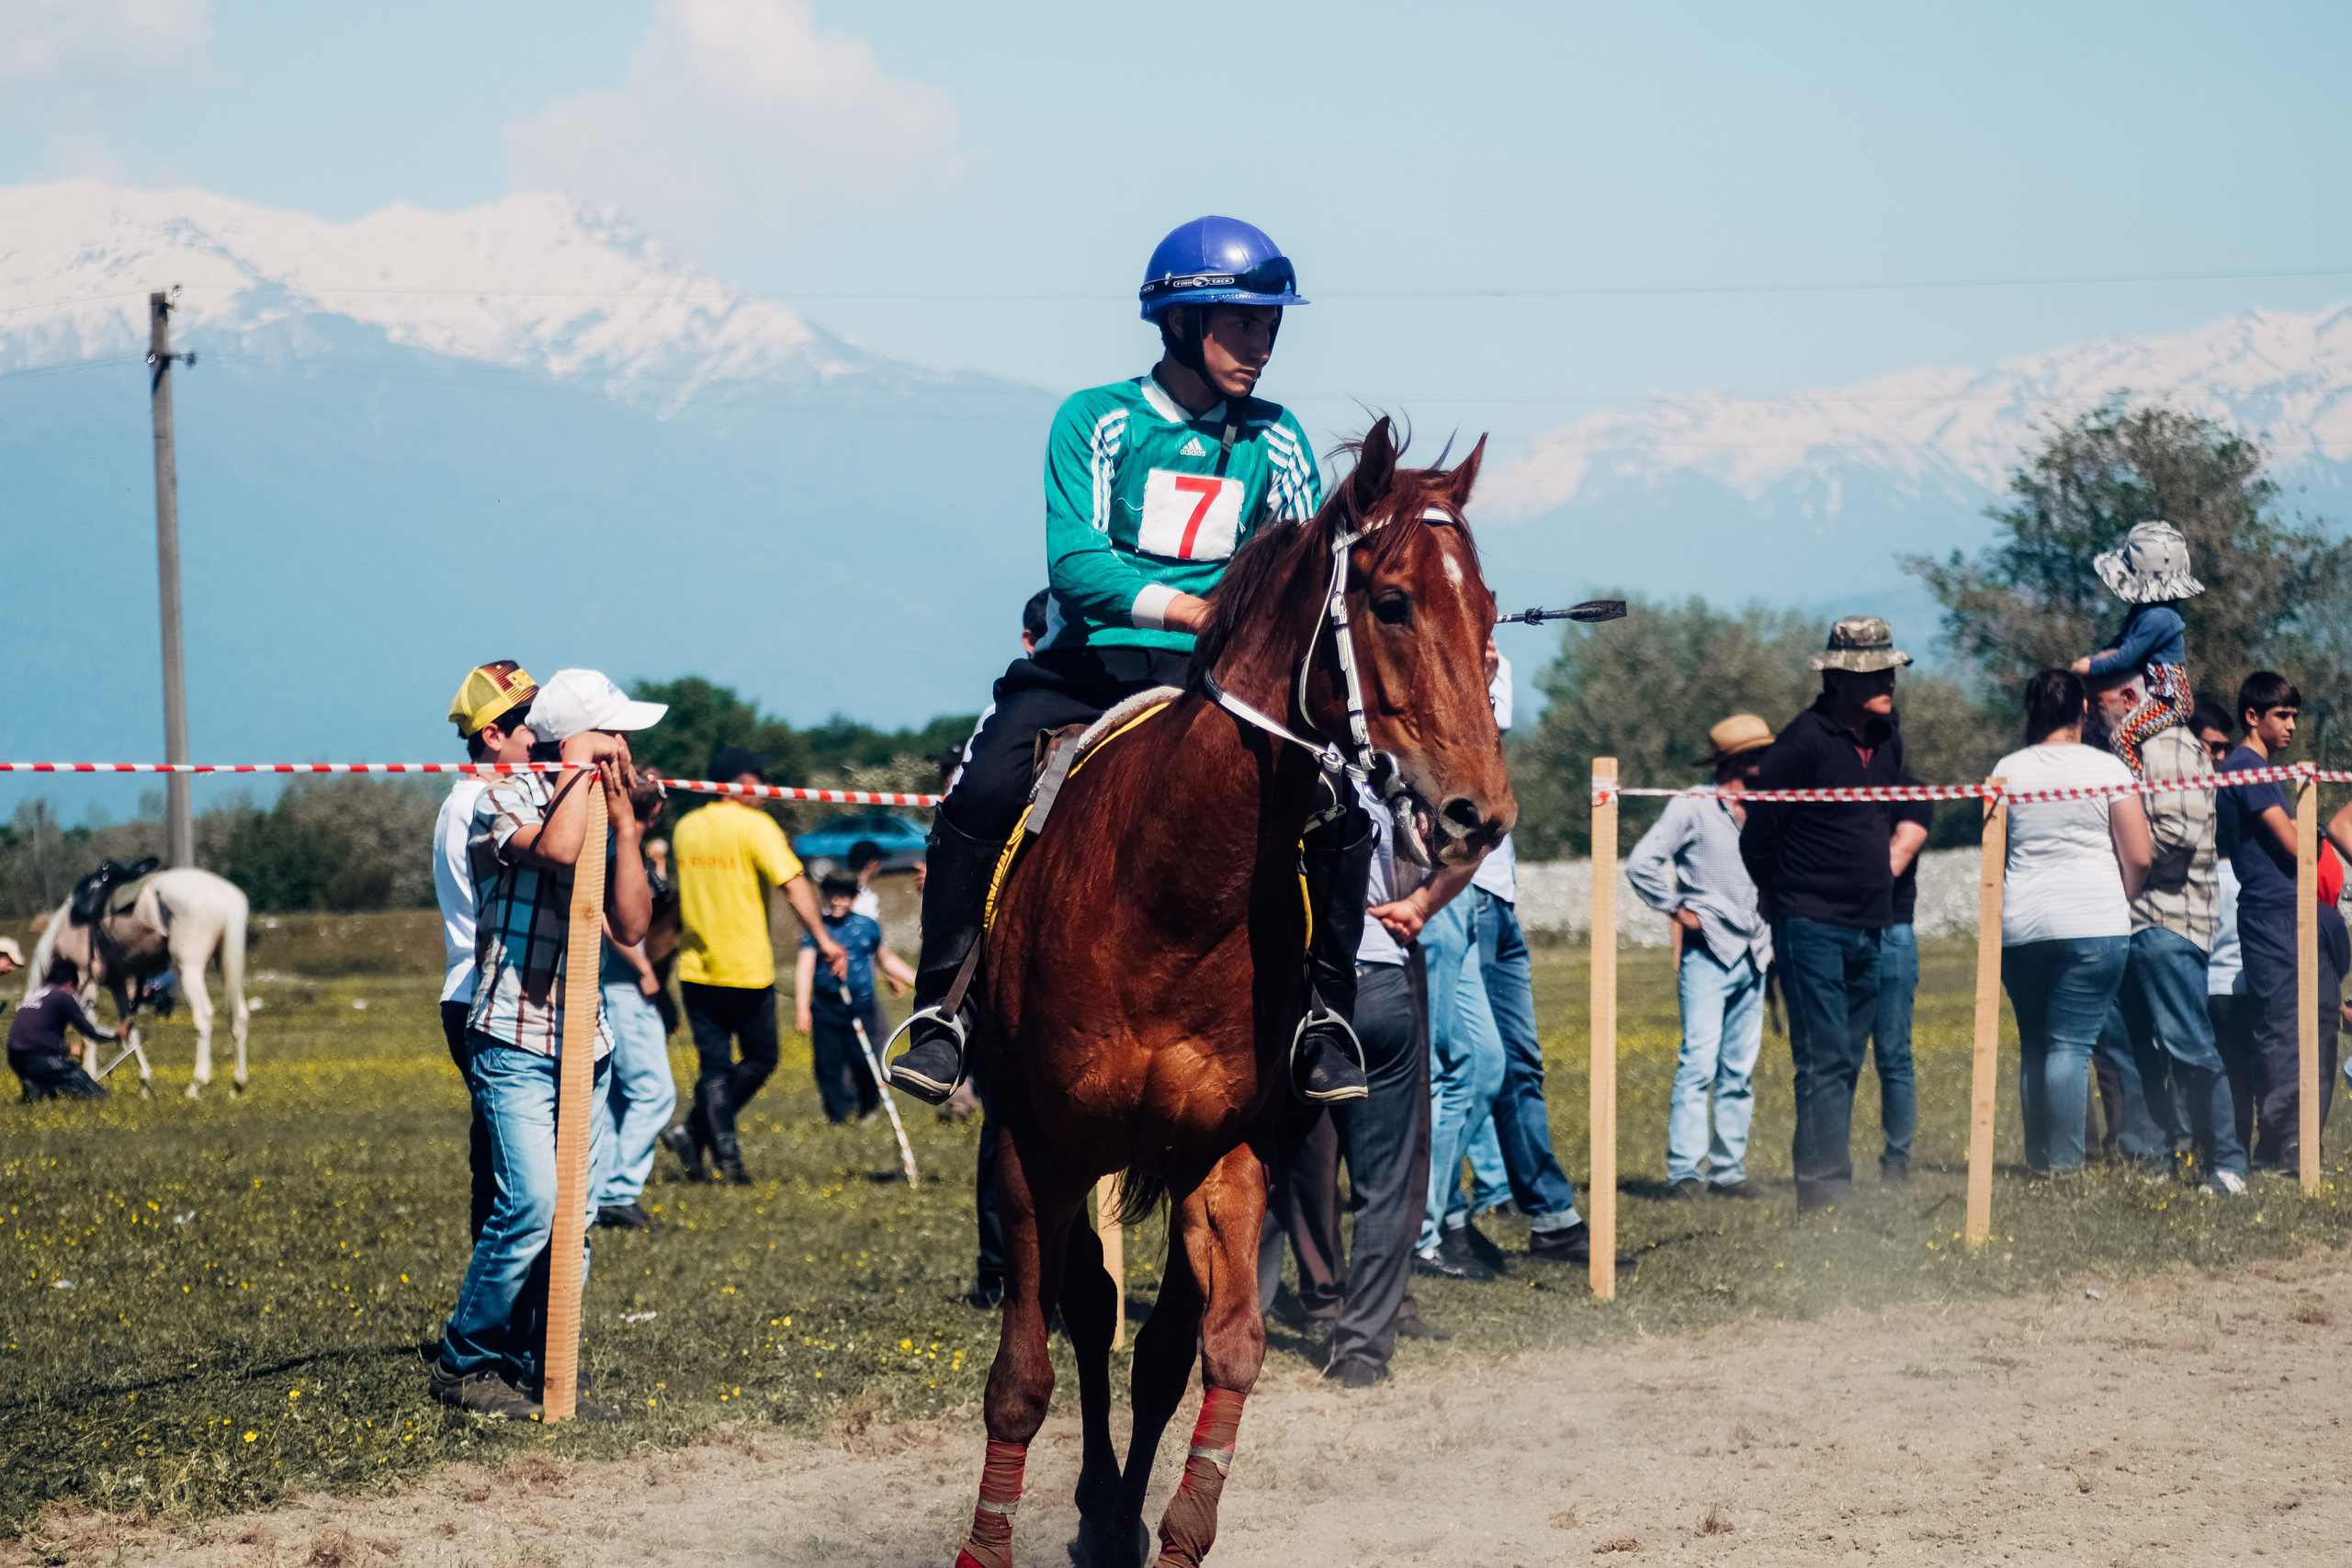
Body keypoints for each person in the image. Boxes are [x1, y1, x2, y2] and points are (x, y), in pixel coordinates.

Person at [886, 216, 1373, 1110]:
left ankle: (1323, 1021)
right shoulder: (1095, 418)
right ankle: (943, 1014)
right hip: (1093, 664)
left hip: (1226, 686)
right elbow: (1074, 563)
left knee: (1338, 813)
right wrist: (1196, 607)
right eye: (1241, 324)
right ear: (1182, 325)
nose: (1260, 345)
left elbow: (1308, 564)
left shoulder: (1281, 437)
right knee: (985, 788)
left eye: (1270, 325)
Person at [430, 668, 660, 1421]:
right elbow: (559, 851)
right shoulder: (496, 799)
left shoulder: (599, 803)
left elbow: (630, 925)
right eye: (613, 734)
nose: (626, 748)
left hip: (583, 1043)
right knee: (528, 1202)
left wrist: (626, 827)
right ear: (574, 740)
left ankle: (548, 1366)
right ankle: (467, 1359)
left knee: (576, 1216)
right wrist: (574, 772)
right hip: (515, 1037)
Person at [1258, 784, 1431, 1388]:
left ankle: (1237, 1321)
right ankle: (1362, 1350)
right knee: (1383, 1181)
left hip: (1293, 984)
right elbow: (1473, 835)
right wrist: (1426, 901)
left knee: (1260, 1163)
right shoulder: (1386, 777)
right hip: (1380, 971)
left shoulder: (1279, 771)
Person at [1740, 616, 1911, 1211]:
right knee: (1823, 1057)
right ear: (1840, 678)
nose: (1889, 678)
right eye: (1875, 670)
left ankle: (1831, 1181)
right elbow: (1758, 839)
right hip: (1809, 923)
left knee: (1848, 1057)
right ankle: (1824, 1188)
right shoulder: (1799, 744)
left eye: (1890, 667)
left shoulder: (1887, 738)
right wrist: (1784, 898)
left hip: (1872, 924)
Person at [1453, 644, 1590, 1260]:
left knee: (1521, 1063)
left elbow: (1493, 729)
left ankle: (1551, 1215)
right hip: (1464, 892)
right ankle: (1437, 1219)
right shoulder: (1444, 668)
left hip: (1498, 895)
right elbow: (1468, 729)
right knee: (1471, 1065)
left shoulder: (1493, 666)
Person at [2087, 665, 2245, 1192]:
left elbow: (2176, 833)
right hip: (2128, 921)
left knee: (2190, 1046)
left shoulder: (2170, 746)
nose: (2092, 708)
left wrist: (2115, 862)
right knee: (2134, 1051)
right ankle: (2156, 1159)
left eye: (2100, 697)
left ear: (2131, 695)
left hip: (2169, 919)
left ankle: (2225, 1162)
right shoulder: (2122, 751)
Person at [660, 745, 846, 1185]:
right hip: (745, 965)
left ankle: (703, 1142)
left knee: (715, 1068)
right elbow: (793, 883)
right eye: (759, 782)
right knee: (761, 1058)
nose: (765, 791)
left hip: (695, 966)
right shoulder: (755, 826)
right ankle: (723, 1158)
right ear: (742, 784)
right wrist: (825, 940)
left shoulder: (685, 827)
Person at [1996, 671, 2153, 1179]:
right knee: (2070, 1046)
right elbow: (2140, 855)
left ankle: (2039, 1156)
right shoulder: (2107, 768)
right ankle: (2064, 1166)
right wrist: (2118, 897)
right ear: (2083, 711)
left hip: (2021, 925)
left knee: (2036, 1044)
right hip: (2092, 920)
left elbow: (1993, 857)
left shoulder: (2005, 770)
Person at [1627, 714, 1776, 1199]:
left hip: (1755, 952)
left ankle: (1729, 1171)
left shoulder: (1770, 805)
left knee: (1739, 1069)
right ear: (1734, 759)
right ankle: (1685, 1173)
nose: (1767, 760)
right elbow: (1641, 863)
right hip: (1707, 954)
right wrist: (1677, 908)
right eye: (1758, 753)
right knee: (1698, 1062)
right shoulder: (1692, 805)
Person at [2223, 671, 2347, 1168]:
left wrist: (2307, 826)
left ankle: (2301, 1142)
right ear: (2252, 716)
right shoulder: (2246, 768)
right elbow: (2299, 848)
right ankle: (2282, 1143)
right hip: (2270, 915)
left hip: (2296, 910)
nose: (2292, 725)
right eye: (2282, 715)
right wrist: (2312, 828)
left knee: (2319, 1018)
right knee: (2281, 1030)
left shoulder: (2267, 773)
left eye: (2295, 715)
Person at [438, 659, 540, 1241]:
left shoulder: (505, 797)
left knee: (506, 1174)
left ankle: (510, 1323)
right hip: (481, 997)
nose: (536, 736)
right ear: (493, 735)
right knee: (509, 1184)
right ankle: (494, 1327)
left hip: (492, 996)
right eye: (524, 721)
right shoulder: (474, 807)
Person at [593, 775, 679, 1231]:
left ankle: (603, 1188)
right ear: (656, 812)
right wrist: (645, 970)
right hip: (623, 984)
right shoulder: (613, 849)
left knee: (619, 1096)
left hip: (610, 982)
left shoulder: (622, 848)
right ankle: (617, 1190)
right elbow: (608, 919)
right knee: (654, 1091)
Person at [2071, 520, 2201, 775]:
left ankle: (2136, 787)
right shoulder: (2144, 610)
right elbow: (2121, 641)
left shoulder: (2161, 617)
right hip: (2158, 697)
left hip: (2170, 701)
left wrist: (2091, 666)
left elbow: (2126, 656)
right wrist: (2092, 658)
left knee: (2120, 739)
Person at [795, 874, 916, 1122]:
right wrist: (802, 1009)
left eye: (843, 896)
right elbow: (805, 969)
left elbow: (885, 959)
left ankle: (868, 1106)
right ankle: (836, 1115)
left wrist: (912, 980)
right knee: (828, 1065)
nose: (837, 901)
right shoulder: (817, 929)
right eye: (831, 896)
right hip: (826, 1006)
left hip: (861, 1004)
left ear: (854, 898)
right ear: (824, 897)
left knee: (864, 1059)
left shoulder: (867, 926)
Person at [1872, 777, 1934, 1183]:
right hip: (1838, 930)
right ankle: (1828, 1164)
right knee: (1833, 1057)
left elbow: (1895, 860)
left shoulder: (1911, 792)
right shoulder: (1834, 787)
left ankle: (1897, 1161)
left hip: (1891, 930)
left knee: (1893, 1054)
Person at [9, 954, 113, 1100]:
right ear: (70, 983)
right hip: (39, 1058)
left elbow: (34, 1037)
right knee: (81, 1078)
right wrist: (117, 1034)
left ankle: (36, 1084)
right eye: (75, 988)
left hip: (15, 1059)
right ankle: (37, 1082)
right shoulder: (61, 995)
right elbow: (91, 1031)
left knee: (53, 1087)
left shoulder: (34, 994)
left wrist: (67, 1049)